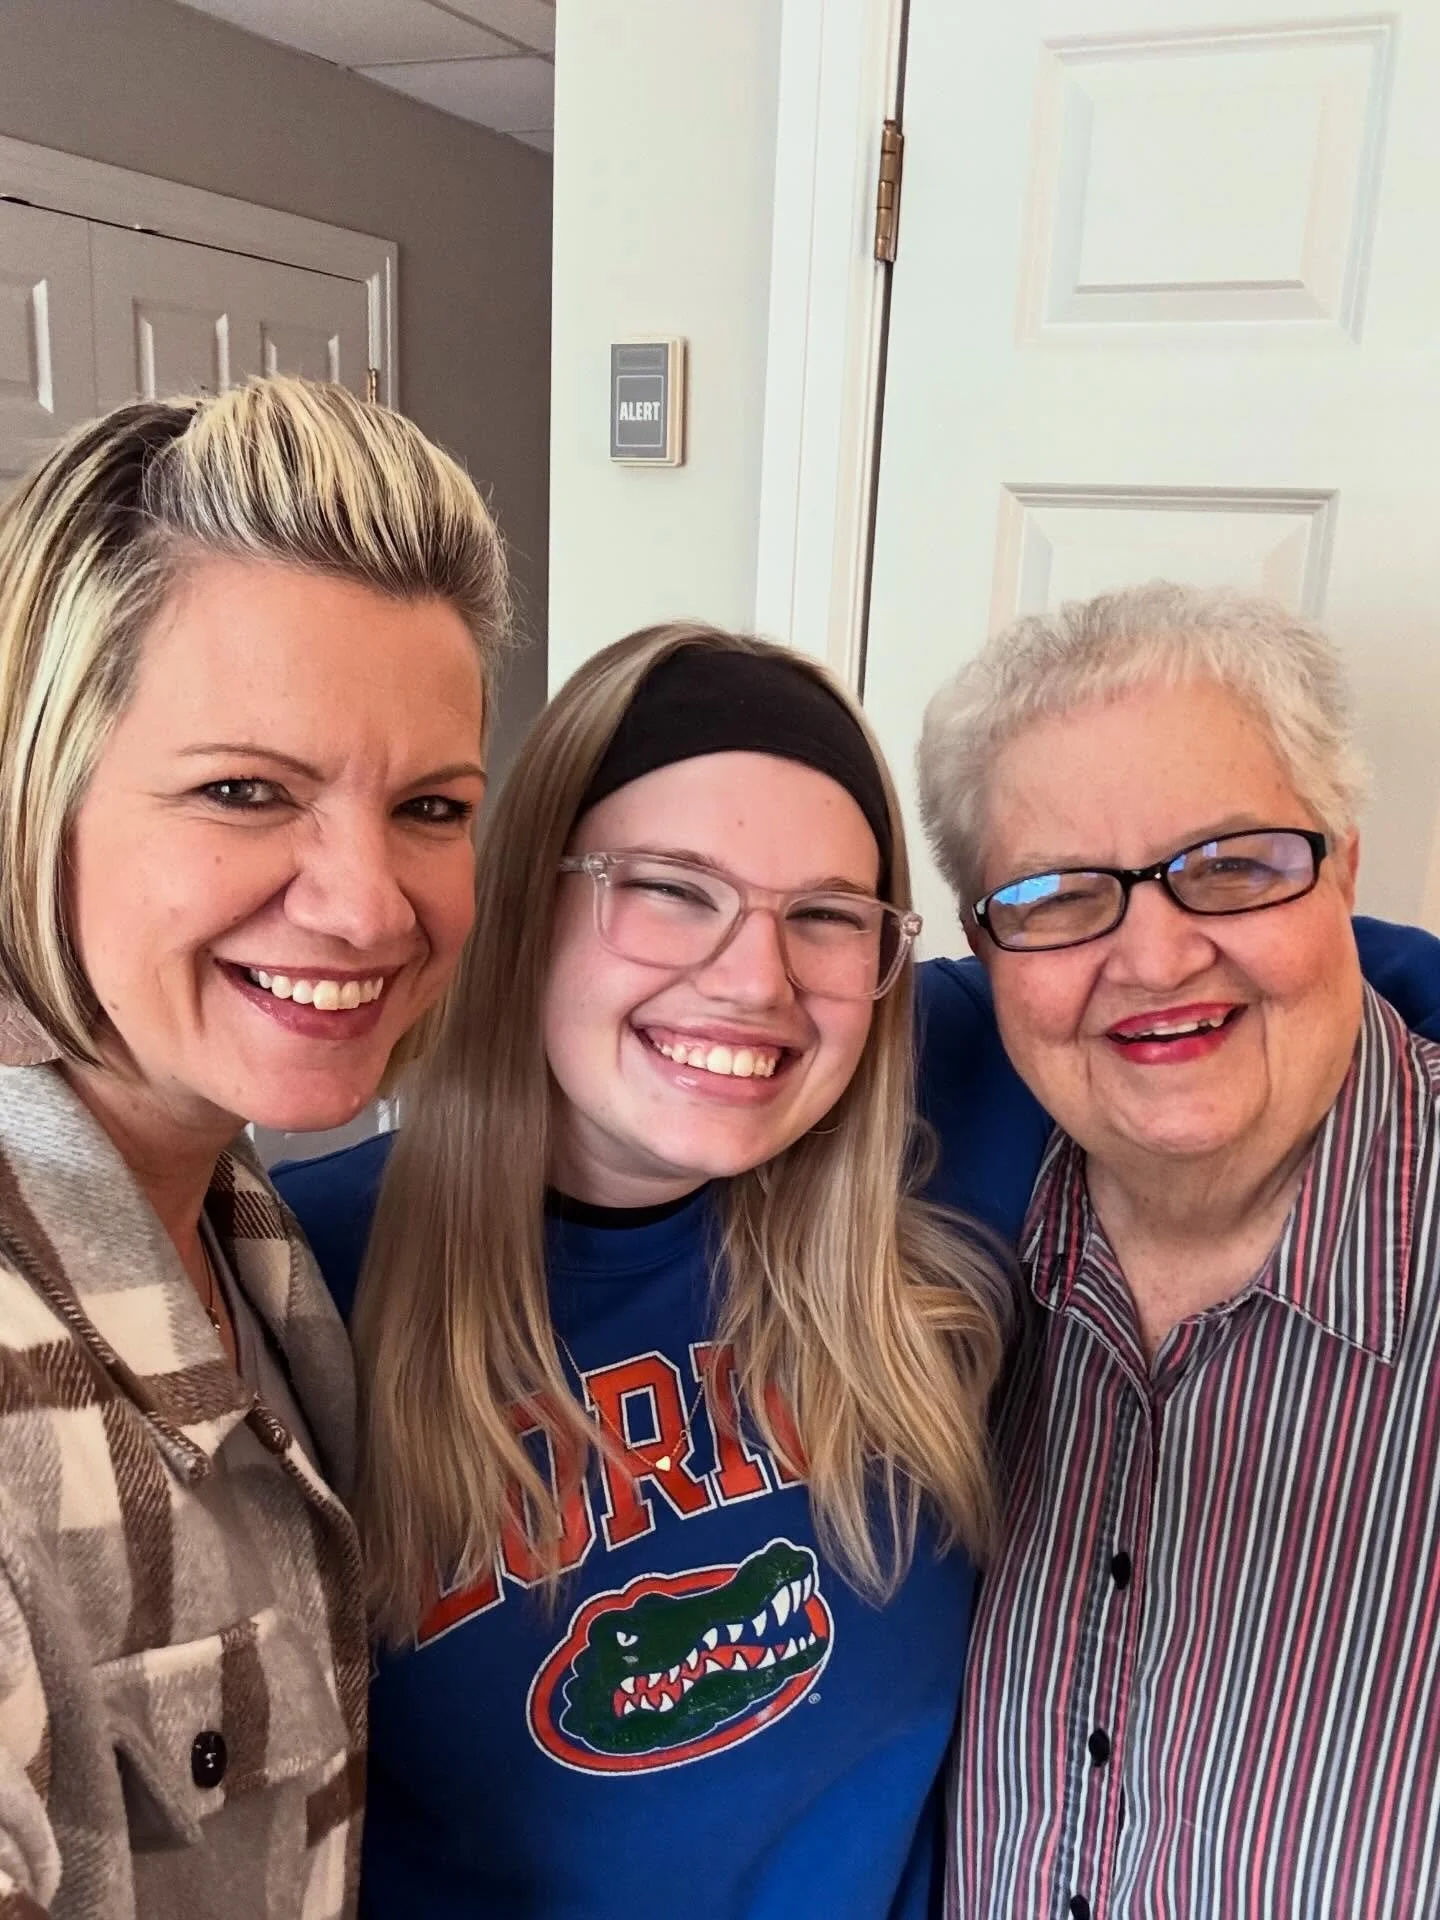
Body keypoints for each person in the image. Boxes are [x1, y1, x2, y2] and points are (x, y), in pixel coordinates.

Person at [277, 625, 1014, 1920]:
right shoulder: (292, 1282)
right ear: (527, 901)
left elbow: (1287, 962)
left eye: (827, 916)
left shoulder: (959, 1125)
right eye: (672, 888)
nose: (757, 981)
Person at [0, 376, 508, 1920]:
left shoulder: (252, 1238)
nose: (367, 905)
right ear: (33, 794)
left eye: (432, 808)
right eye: (243, 791)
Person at [918, 582, 1440, 1917]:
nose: (1154, 958)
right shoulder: (934, 1241)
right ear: (987, 950)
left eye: (1232, 864)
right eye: (1056, 897)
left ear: (1345, 869)